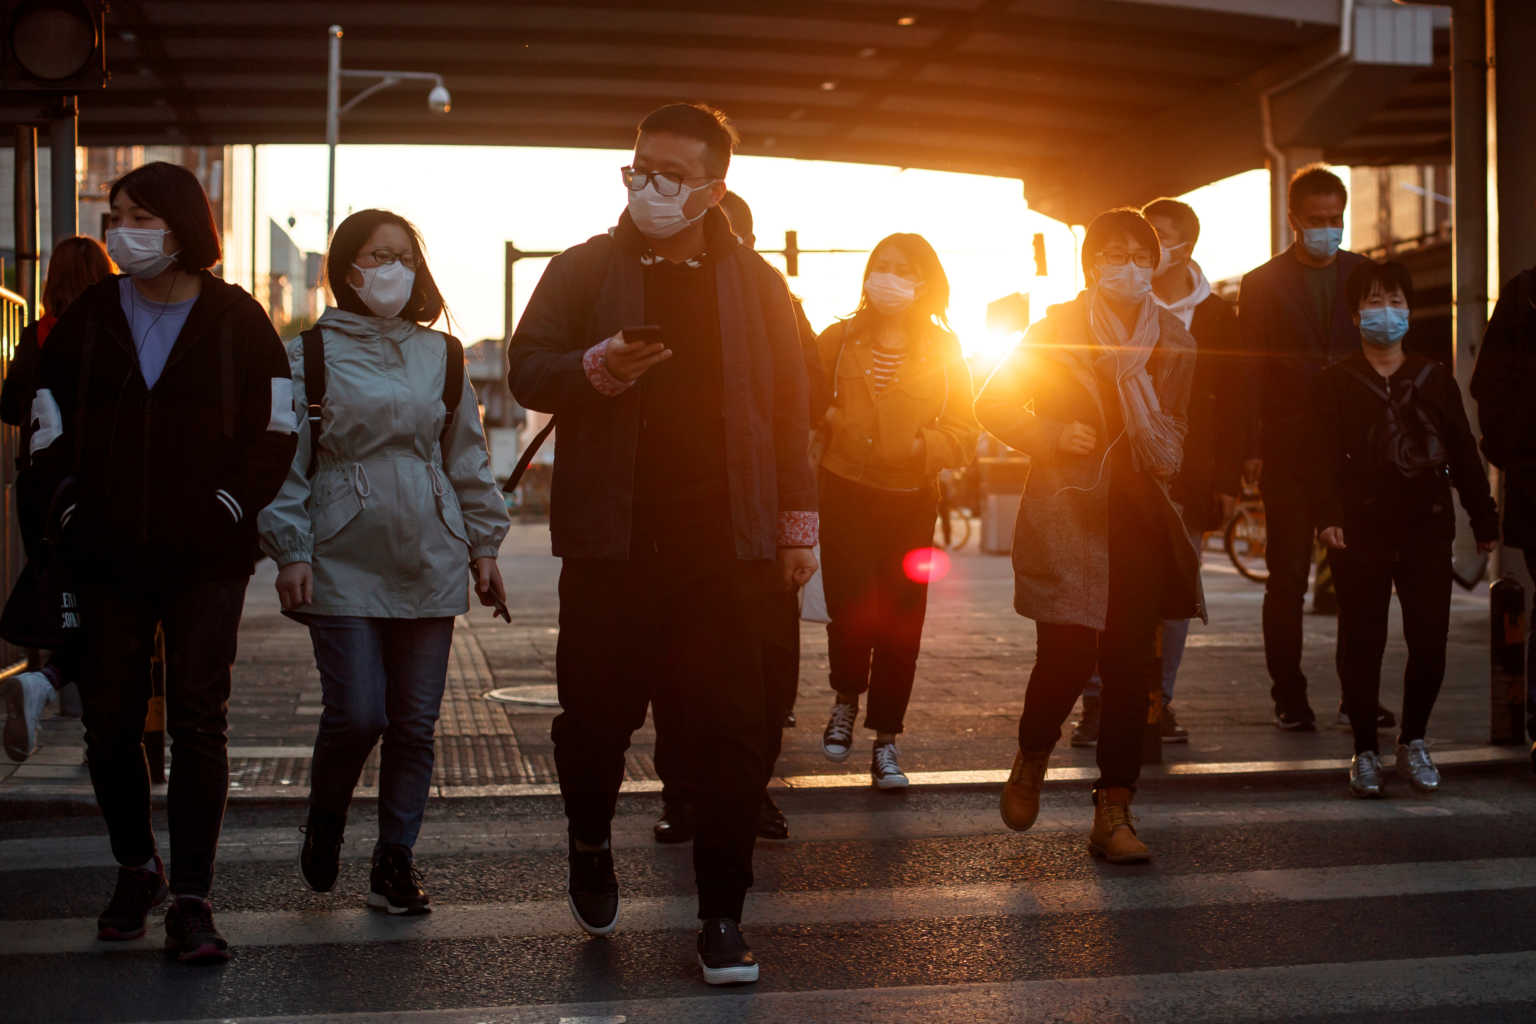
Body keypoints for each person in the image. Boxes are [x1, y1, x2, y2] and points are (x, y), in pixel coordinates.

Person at [505, 103, 817, 986]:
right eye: (639, 168)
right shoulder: (582, 269)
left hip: (728, 551)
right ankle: (590, 839)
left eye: (670, 176)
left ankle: (721, 915)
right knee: (595, 723)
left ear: (715, 188)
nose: (649, 186)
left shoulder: (758, 285)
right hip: (611, 547)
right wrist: (596, 367)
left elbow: (791, 411)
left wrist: (798, 529)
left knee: (729, 735)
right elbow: (530, 366)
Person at [24, 161, 297, 961]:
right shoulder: (91, 317)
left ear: (181, 226)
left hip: (208, 557)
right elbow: (46, 421)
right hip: (107, 554)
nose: (122, 228)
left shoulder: (237, 318)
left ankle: (191, 898)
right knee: (108, 725)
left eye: (139, 214)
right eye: (116, 213)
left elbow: (277, 428)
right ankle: (135, 866)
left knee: (198, 721)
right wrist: (67, 503)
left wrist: (228, 506)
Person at [258, 209, 509, 915]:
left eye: (402, 255)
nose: (391, 268)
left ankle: (395, 862)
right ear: (348, 269)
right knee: (358, 713)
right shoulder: (304, 354)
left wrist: (484, 546)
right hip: (340, 554)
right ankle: (328, 816)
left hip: (429, 552)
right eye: (376, 255)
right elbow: (285, 465)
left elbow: (467, 459)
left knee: (414, 724)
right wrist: (289, 550)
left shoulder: (445, 355)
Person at [976, 207, 1201, 864]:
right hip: (1070, 516)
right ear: (1092, 264)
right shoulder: (1056, 331)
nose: (1128, 265)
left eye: (1140, 254)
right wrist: (1049, 435)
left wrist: (1171, 452)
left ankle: (1114, 813)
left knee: (1133, 673)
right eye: (1114, 254)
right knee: (1068, 660)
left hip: (1141, 519)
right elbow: (991, 402)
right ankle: (1032, 756)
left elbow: (1184, 426)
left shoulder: (1177, 341)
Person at [651, 189, 807, 845]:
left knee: (767, 676)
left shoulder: (775, 299)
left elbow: (803, 413)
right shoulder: (655, 299)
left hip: (760, 525)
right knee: (677, 673)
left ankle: (750, 793)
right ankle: (682, 794)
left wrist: (798, 530)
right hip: (675, 523)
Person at [1314, 260, 1497, 796]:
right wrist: (1328, 516)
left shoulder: (1435, 378)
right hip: (1360, 530)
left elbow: (1464, 452)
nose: (1386, 312)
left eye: (1395, 301)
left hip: (1426, 526)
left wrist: (1484, 518)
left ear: (1410, 312)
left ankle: (1413, 740)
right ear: (1355, 315)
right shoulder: (1337, 382)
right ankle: (1365, 750)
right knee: (1363, 641)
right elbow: (1318, 459)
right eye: (1373, 302)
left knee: (1429, 642)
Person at [1068, 199, 1241, 748]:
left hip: (1184, 475)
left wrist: (1225, 479)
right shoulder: (1084, 317)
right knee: (1100, 592)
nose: (1147, 257)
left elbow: (1229, 404)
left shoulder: (1209, 318)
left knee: (1172, 597)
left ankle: (1156, 702)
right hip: (1106, 477)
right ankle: (1098, 702)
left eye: (1160, 245)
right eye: (1143, 244)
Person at [812, 233, 979, 789]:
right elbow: (801, 405)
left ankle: (886, 740)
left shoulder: (945, 350)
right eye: (880, 266)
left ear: (924, 282)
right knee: (851, 608)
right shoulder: (837, 339)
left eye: (901, 269)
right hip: (843, 490)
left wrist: (919, 449)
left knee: (902, 621)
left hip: (909, 499)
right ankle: (844, 702)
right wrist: (828, 422)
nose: (887, 278)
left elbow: (964, 431)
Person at [1237, 164, 1393, 732]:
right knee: (1286, 580)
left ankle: (1360, 695)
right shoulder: (1262, 284)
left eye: (1336, 220)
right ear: (1294, 220)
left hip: (1357, 452)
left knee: (1361, 581)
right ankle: (1290, 694)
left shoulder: (1365, 273)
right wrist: (1250, 446)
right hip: (1290, 449)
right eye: (1317, 221)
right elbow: (1248, 370)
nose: (1328, 229)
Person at [1, 235, 113, 761]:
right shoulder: (111, 329)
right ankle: (85, 713)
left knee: (58, 593)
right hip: (95, 484)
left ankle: (48, 680)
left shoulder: (37, 333)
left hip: (38, 486)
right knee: (112, 606)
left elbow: (9, 406)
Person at [1471, 262, 1536, 769]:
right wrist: (1515, 455)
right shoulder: (1525, 294)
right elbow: (1489, 386)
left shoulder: (1524, 292)